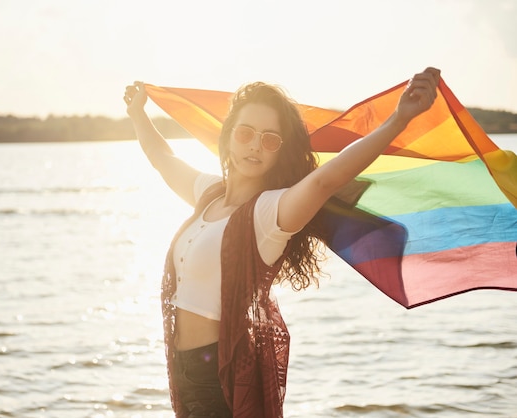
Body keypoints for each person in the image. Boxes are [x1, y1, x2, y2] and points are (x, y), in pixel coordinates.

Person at [123, 67, 440, 418]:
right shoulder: (209, 195)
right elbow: (162, 158)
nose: (256, 146)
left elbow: (325, 181)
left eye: (270, 139)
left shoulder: (269, 213)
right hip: (185, 370)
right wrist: (138, 115)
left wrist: (398, 120)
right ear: (228, 137)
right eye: (245, 133)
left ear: (279, 151)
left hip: (220, 378)